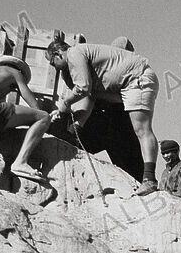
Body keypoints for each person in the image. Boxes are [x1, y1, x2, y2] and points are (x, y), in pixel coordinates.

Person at [46, 37, 160, 196]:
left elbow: (83, 87)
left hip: (136, 79)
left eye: (52, 63)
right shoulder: (85, 66)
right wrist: (77, 126)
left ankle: (149, 179)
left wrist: (64, 104)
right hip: (127, 86)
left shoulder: (74, 53)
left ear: (58, 53)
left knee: (142, 130)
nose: (55, 68)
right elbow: (90, 97)